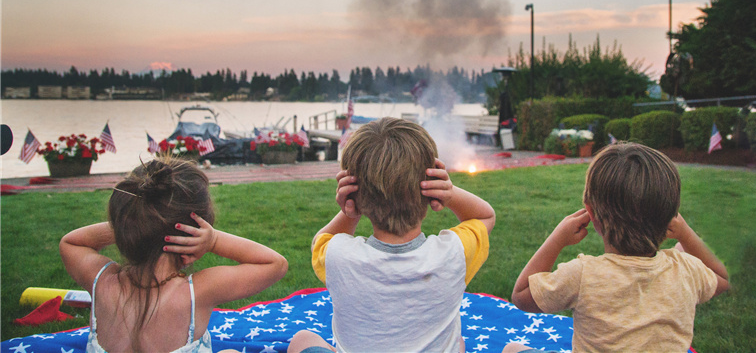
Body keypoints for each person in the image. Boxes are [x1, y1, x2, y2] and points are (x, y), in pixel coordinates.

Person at [288, 117, 495, 353]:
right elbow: (485, 217)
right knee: (458, 344)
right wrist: (451, 193)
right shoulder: (455, 252)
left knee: (302, 339)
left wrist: (349, 211)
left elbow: (319, 242)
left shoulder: (337, 254)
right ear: (431, 191)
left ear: (354, 194)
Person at [506, 142, 729, 353]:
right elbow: (722, 278)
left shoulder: (582, 275)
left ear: (591, 214)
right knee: (681, 250)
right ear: (671, 218)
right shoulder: (687, 270)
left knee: (512, 349)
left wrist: (557, 239)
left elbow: (521, 296)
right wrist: (686, 234)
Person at [60, 157, 288, 353]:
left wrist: (133, 222)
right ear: (194, 229)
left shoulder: (102, 282)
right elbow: (274, 263)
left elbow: (71, 243)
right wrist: (214, 240)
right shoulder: (196, 292)